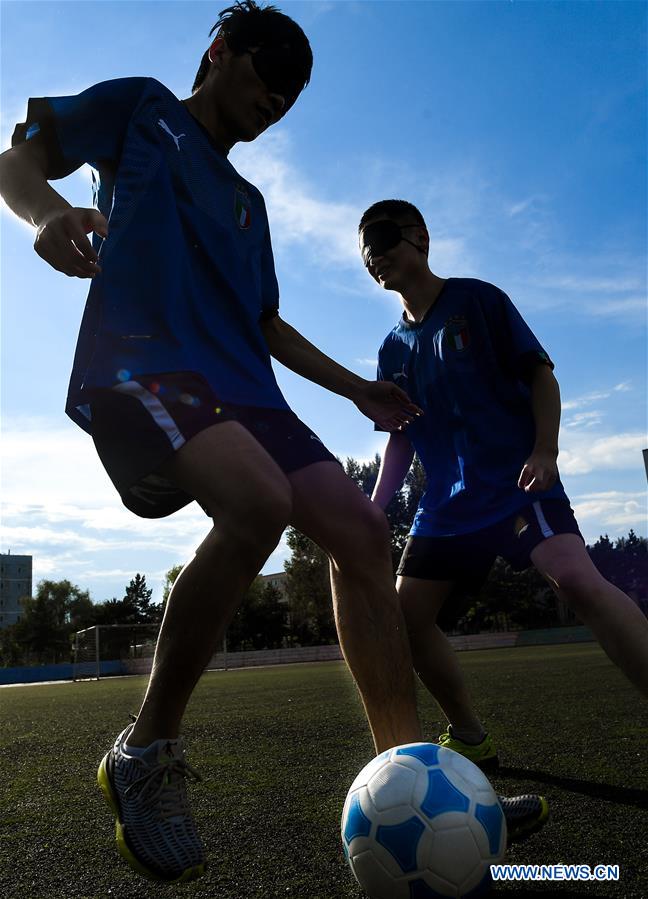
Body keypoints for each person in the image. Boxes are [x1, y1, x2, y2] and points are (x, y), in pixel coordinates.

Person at [0, 3, 545, 884]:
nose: (277, 101)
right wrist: (46, 214)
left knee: (364, 537)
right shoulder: (143, 110)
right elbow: (17, 157)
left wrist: (358, 387)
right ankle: (145, 750)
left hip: (248, 392)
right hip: (148, 365)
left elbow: (267, 325)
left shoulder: (250, 205)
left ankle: (419, 780)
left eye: (291, 96)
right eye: (267, 78)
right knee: (260, 500)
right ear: (219, 53)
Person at [359, 198, 648, 770]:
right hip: (443, 508)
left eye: (384, 236)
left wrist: (546, 449)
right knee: (403, 622)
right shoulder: (392, 347)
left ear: (421, 237)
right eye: (364, 247)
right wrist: (374, 507)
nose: (373, 253)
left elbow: (541, 375)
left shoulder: (478, 300)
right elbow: (400, 435)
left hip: (518, 483)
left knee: (576, 581)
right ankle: (469, 736)